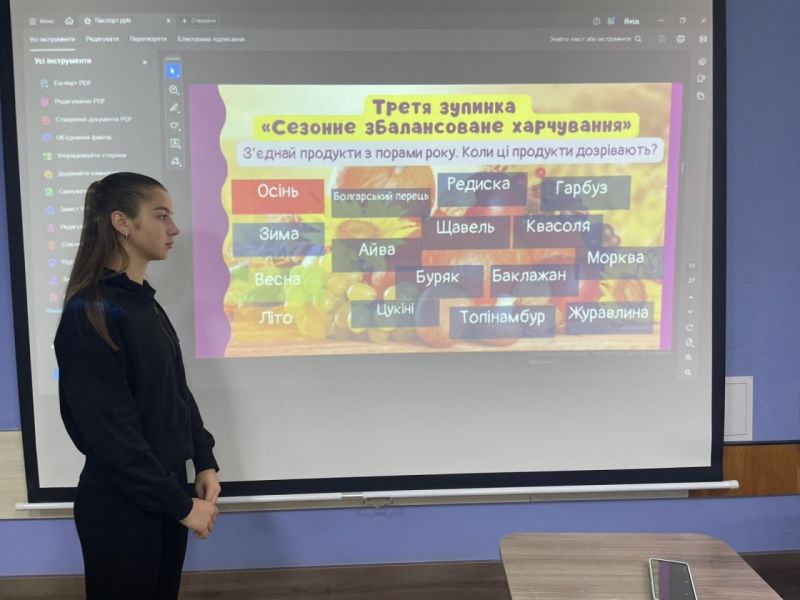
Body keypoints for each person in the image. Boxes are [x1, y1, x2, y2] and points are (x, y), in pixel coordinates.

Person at [54, 172, 221, 600]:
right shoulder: (92, 311)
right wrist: (181, 505)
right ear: (122, 223)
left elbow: (175, 391)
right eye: (161, 216)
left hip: (166, 495)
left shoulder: (144, 301)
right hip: (121, 507)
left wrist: (204, 459)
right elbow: (111, 435)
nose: (174, 229)